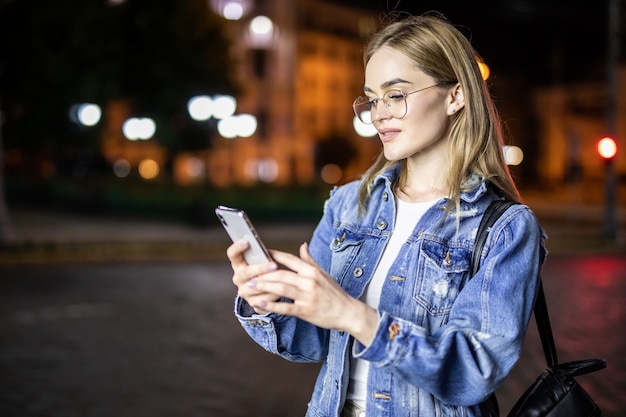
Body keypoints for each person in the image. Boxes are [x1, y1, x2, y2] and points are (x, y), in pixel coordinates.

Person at [226, 12, 546, 417]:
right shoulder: (349, 203)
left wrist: (356, 317)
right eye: (372, 99)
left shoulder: (506, 228)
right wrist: (267, 300)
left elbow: (472, 372)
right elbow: (314, 341)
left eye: (395, 95)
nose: (378, 114)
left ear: (456, 96)